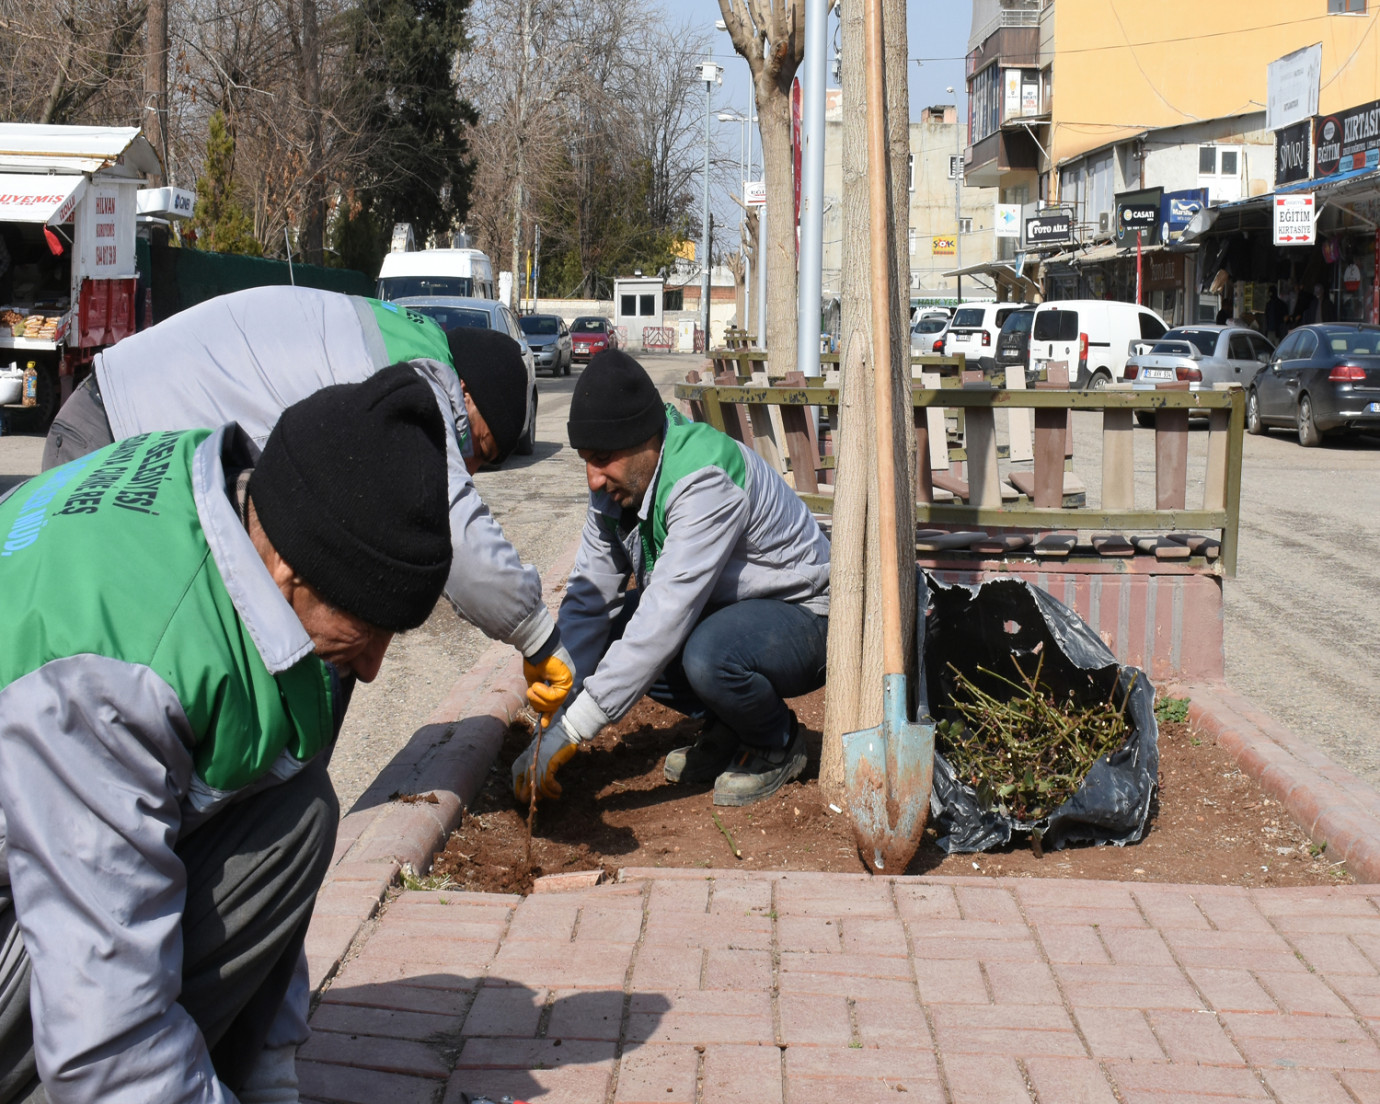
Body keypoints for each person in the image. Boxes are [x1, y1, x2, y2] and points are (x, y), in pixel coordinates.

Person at [0, 366, 453, 1101]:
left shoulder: (216, 500)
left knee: (293, 810)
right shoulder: (114, 672)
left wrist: (273, 1082)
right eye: (366, 627)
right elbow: (105, 1033)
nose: (372, 666)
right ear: (286, 568)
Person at [42, 286, 574, 728]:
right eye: (477, 448)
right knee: (102, 687)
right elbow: (457, 535)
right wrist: (538, 637)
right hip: (118, 444)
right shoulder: (420, 380)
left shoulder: (396, 337)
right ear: (464, 392)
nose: (470, 469)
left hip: (132, 426)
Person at [512, 350, 831, 808]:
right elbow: (587, 602)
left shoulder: (703, 479)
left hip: (806, 617)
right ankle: (730, 727)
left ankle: (776, 741)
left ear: (645, 441)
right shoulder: (619, 489)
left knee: (708, 653)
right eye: (586, 459)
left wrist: (576, 729)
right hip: (736, 612)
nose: (593, 479)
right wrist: (552, 724)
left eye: (602, 458)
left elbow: (665, 617)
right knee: (614, 630)